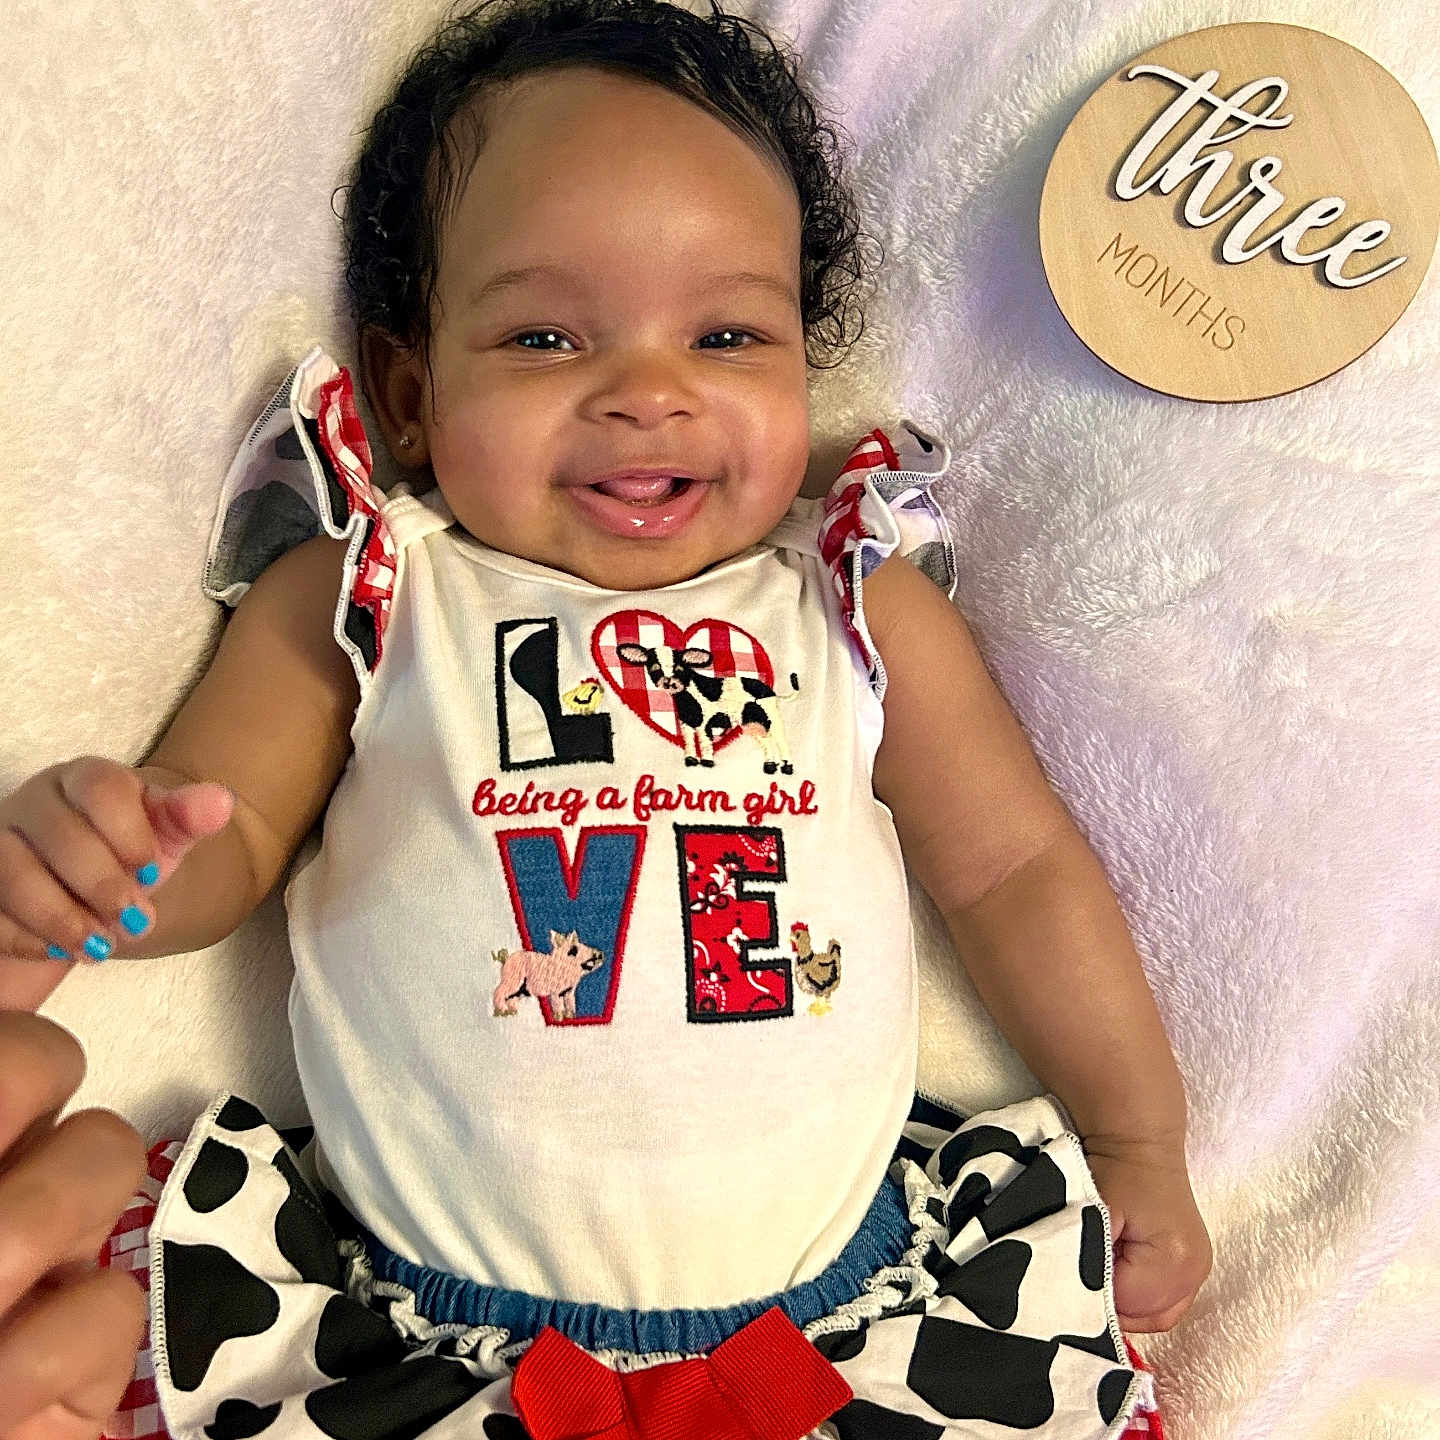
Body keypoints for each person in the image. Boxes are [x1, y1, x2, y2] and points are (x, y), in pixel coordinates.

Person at [0, 1, 1212, 1435]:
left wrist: (1138, 1134)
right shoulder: (377, 596)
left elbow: (1014, 872)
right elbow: (232, 827)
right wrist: (108, 863)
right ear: (410, 388)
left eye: (726, 331)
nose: (648, 391)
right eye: (546, 333)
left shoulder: (857, 608)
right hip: (408, 1327)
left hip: (849, 1327)